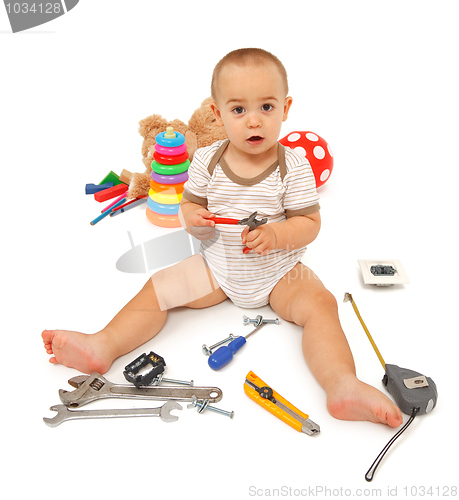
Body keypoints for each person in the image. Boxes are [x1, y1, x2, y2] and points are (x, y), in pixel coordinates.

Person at [42, 48, 403, 428]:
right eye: (238, 110)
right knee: (159, 287)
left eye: (266, 107)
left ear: (286, 108)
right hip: (218, 267)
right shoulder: (208, 160)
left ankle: (341, 384)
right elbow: (191, 206)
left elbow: (310, 222)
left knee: (322, 306)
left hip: (280, 273)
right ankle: (103, 345)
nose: (253, 122)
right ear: (216, 113)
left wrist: (279, 233)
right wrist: (193, 220)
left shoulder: (293, 165)